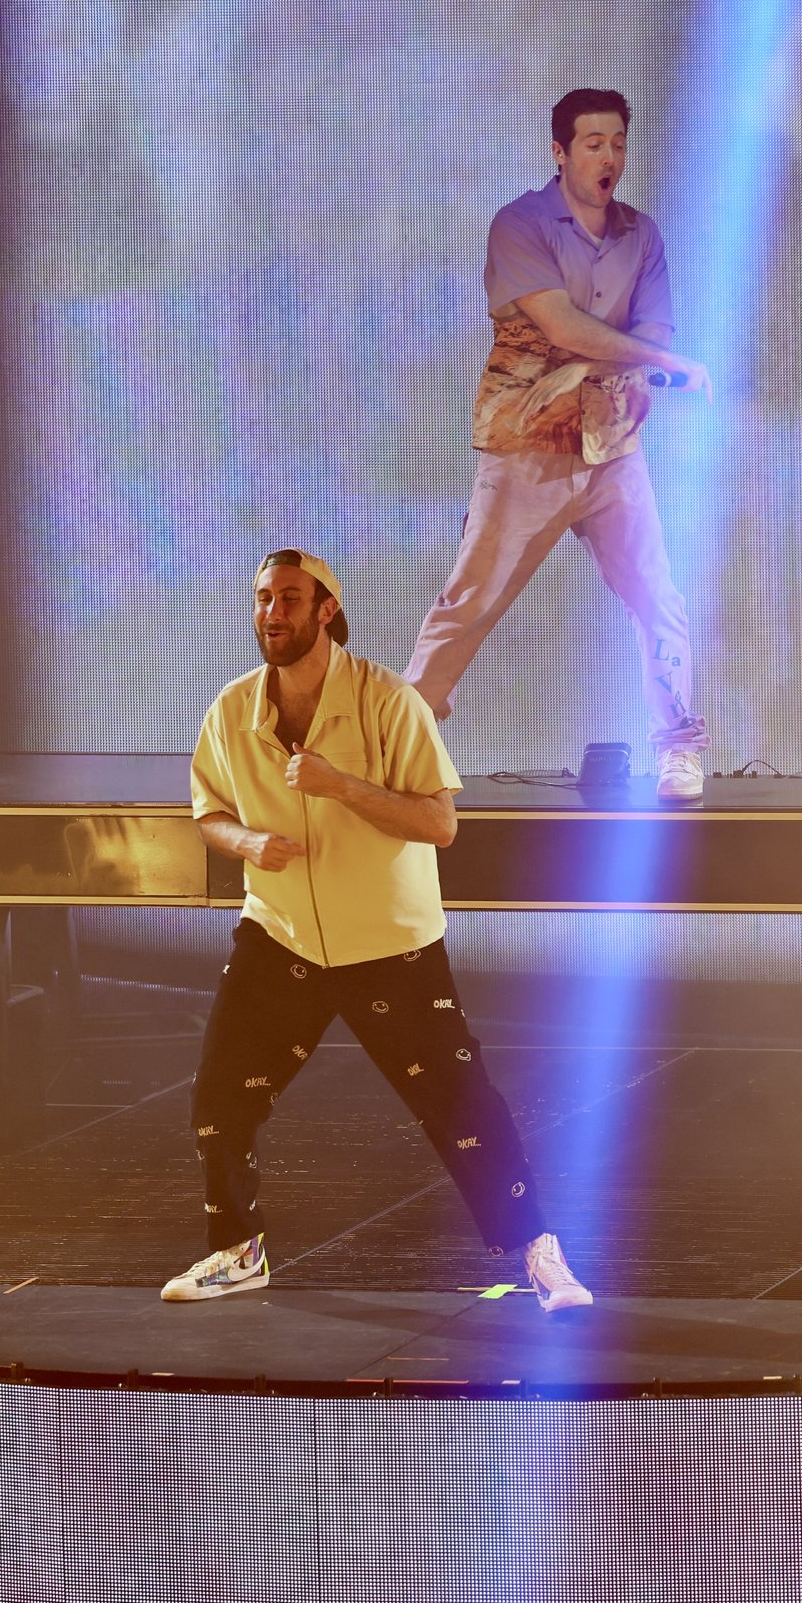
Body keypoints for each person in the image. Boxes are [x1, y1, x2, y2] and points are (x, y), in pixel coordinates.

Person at [165, 549, 593, 1312]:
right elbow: (210, 813)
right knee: (219, 1098)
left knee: (462, 1105)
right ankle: (237, 1251)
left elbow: (439, 821)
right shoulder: (232, 709)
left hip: (389, 941)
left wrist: (339, 785)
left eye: (289, 598)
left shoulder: (389, 700)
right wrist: (248, 842)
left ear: (326, 608)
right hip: (281, 934)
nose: (272, 612)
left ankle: (538, 1250)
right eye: (263, 597)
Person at [406, 87, 714, 801]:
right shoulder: (521, 223)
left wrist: (613, 360)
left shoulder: (641, 235)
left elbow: (650, 331)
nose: (609, 158)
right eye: (593, 144)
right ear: (561, 152)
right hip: (527, 444)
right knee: (471, 598)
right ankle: (405, 739)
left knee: (657, 595)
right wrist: (650, 360)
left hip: (613, 445)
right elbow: (563, 326)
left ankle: (678, 746)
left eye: (618, 144)